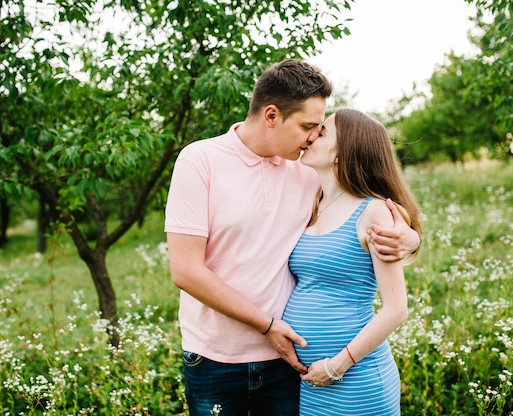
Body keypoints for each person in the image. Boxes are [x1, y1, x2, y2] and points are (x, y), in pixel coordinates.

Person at [164, 60, 420, 416]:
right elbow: (185, 271)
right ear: (271, 115)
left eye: (319, 129)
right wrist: (266, 324)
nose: (313, 137)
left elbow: (367, 196)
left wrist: (409, 236)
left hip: (288, 363)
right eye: (307, 126)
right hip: (216, 358)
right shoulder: (200, 161)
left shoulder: (305, 169)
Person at [283, 108, 423, 416]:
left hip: (355, 378)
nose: (311, 137)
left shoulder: (373, 212)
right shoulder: (314, 201)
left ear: (342, 153)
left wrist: (337, 366)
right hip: (309, 383)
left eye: (322, 133)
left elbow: (396, 309)